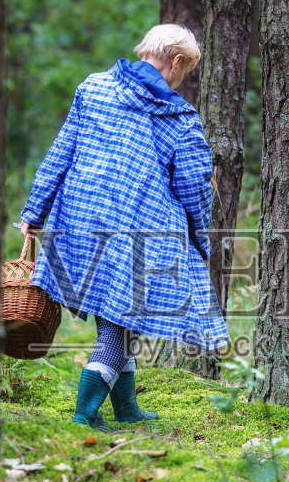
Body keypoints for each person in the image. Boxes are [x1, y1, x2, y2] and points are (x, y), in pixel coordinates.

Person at [19, 24, 229, 429]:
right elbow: (195, 187)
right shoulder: (179, 118)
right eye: (184, 71)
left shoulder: (93, 87)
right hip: (139, 229)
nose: (180, 79)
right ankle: (84, 414)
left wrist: (34, 211)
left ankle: (127, 408)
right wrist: (198, 235)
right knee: (119, 323)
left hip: (80, 219)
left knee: (117, 315)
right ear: (176, 60)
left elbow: (61, 150)